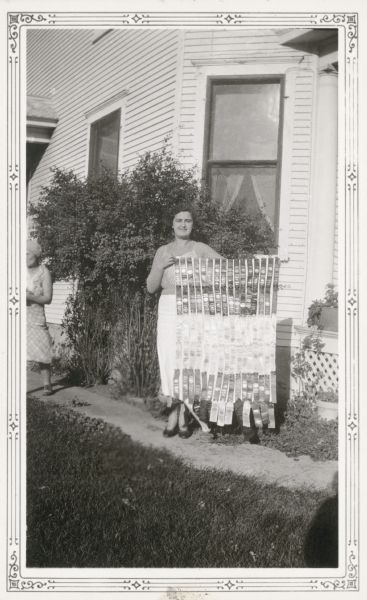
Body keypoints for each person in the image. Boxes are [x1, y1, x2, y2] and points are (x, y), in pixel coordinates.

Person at [147, 209, 222, 438]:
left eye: (187, 221)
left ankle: (182, 419)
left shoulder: (199, 248)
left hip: (192, 310)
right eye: (178, 220)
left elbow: (225, 268)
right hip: (168, 309)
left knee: (186, 363)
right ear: (172, 225)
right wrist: (160, 266)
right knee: (169, 361)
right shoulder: (163, 251)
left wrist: (202, 277)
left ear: (192, 225)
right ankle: (175, 415)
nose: (183, 224)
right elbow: (151, 287)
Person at [27, 239, 54, 395]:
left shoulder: (44, 272)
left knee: (42, 348)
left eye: (27, 254)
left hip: (36, 316)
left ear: (36, 255)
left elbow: (48, 298)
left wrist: (30, 298)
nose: (24, 257)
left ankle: (47, 384)